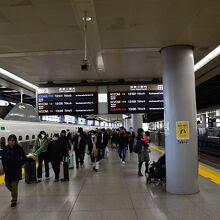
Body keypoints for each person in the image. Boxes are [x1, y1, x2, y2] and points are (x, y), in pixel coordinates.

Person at [2, 134, 26, 207]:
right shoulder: (5, 149)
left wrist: (22, 164)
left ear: (15, 141)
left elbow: (24, 157)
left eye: (13, 140)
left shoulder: (18, 148)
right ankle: (14, 193)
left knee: (14, 186)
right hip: (8, 171)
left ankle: (14, 200)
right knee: (8, 185)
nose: (11, 142)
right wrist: (4, 167)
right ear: (8, 141)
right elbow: (3, 158)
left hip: (16, 170)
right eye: (10, 140)